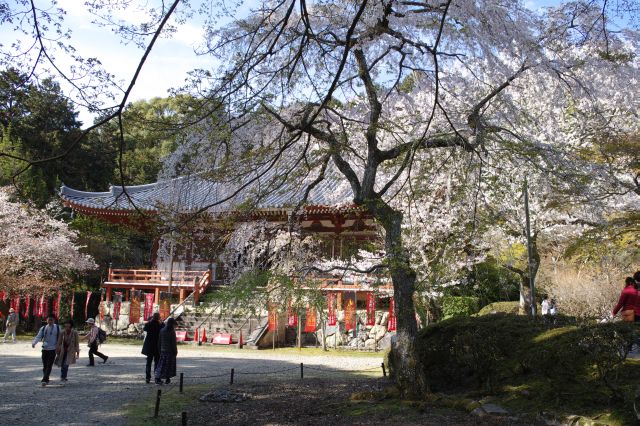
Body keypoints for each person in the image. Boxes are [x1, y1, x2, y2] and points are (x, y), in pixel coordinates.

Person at [32, 315, 60, 386]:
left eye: (51, 320)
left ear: (54, 321)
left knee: (49, 365)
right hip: (45, 348)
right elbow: (38, 336)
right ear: (46, 320)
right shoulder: (43, 328)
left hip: (53, 349)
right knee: (45, 365)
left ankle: (44, 379)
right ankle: (46, 378)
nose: (50, 321)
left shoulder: (57, 328)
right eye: (49, 320)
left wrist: (59, 346)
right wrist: (34, 343)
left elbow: (61, 337)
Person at [154, 317, 177, 385]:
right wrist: (175, 351)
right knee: (169, 365)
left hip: (163, 350)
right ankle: (166, 378)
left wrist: (159, 350)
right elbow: (173, 343)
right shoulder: (172, 331)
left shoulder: (162, 330)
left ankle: (158, 377)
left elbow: (159, 341)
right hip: (170, 351)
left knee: (162, 365)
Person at [142, 313, 163, 384]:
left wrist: (150, 321)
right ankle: (157, 378)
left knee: (148, 363)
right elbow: (163, 326)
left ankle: (148, 378)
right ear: (158, 318)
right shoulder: (160, 325)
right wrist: (161, 322)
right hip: (157, 346)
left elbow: (145, 328)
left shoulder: (149, 324)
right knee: (157, 363)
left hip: (150, 346)